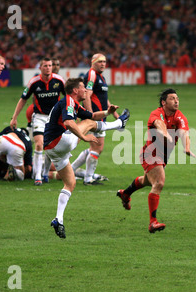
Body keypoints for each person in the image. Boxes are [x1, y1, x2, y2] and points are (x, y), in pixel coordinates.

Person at [46, 78, 130, 239]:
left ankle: (58, 219)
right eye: (83, 88)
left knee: (70, 184)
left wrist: (107, 112)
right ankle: (120, 124)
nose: (85, 90)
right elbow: (69, 122)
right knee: (88, 124)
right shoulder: (69, 101)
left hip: (52, 150)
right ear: (75, 90)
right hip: (59, 142)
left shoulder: (73, 103)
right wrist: (84, 138)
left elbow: (92, 115)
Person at [116, 88, 195, 233]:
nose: (176, 101)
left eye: (177, 98)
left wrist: (187, 148)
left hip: (164, 156)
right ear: (164, 102)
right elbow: (159, 124)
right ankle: (153, 222)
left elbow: (184, 133)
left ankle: (125, 193)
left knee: (148, 181)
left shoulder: (180, 116)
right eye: (172, 98)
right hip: (150, 153)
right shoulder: (156, 113)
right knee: (159, 183)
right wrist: (165, 134)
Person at [10, 57, 65, 186]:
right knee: (40, 144)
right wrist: (14, 117)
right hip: (39, 117)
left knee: (52, 147)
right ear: (40, 68)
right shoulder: (34, 82)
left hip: (54, 118)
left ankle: (45, 172)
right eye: (45, 66)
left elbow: (68, 97)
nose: (48, 68)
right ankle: (38, 176)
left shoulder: (59, 81)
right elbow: (23, 99)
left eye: (50, 65)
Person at [70, 53, 120, 185]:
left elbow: (103, 97)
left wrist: (113, 111)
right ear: (93, 63)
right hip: (96, 116)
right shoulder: (92, 74)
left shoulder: (101, 76)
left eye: (104, 61)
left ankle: (72, 170)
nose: (103, 64)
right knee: (97, 148)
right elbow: (87, 95)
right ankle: (88, 178)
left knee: (95, 147)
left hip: (100, 115)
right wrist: (90, 115)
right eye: (100, 62)